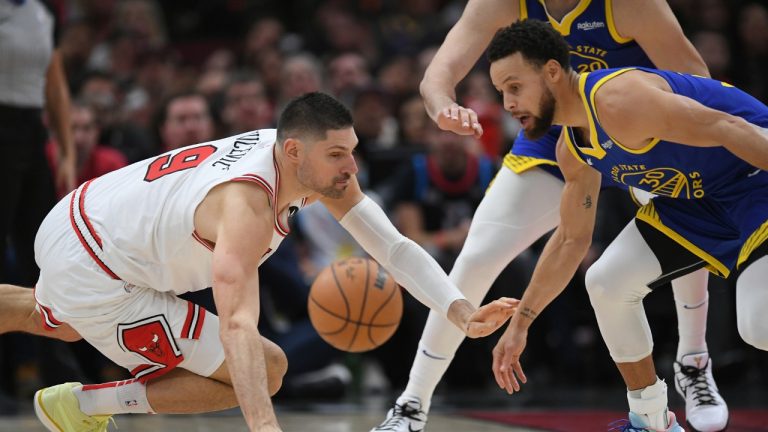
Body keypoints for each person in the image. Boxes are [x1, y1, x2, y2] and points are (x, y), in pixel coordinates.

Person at [0, 92, 518, 432]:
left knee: (60, 318)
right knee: (268, 370)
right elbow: (237, 326)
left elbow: (393, 247)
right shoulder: (246, 204)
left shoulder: (305, 163)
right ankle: (84, 406)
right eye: (337, 155)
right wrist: (266, 427)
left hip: (80, 216)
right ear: (293, 151)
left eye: (351, 150)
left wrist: (459, 310)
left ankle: (73, 372)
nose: (351, 167)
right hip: (97, 267)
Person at [372, 2, 729, 432]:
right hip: (554, 132)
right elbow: (437, 76)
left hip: (636, 125)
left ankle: (693, 361)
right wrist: (443, 106)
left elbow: (697, 81)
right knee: (478, 256)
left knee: (683, 212)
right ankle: (412, 406)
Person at [487, 19, 768, 431]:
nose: (508, 104)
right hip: (696, 204)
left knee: (760, 326)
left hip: (754, 181)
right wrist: (520, 324)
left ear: (551, 71)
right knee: (607, 282)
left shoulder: (620, 100)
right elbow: (570, 240)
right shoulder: (572, 148)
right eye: (501, 92)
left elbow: (730, 127)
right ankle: (652, 422)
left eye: (515, 87)